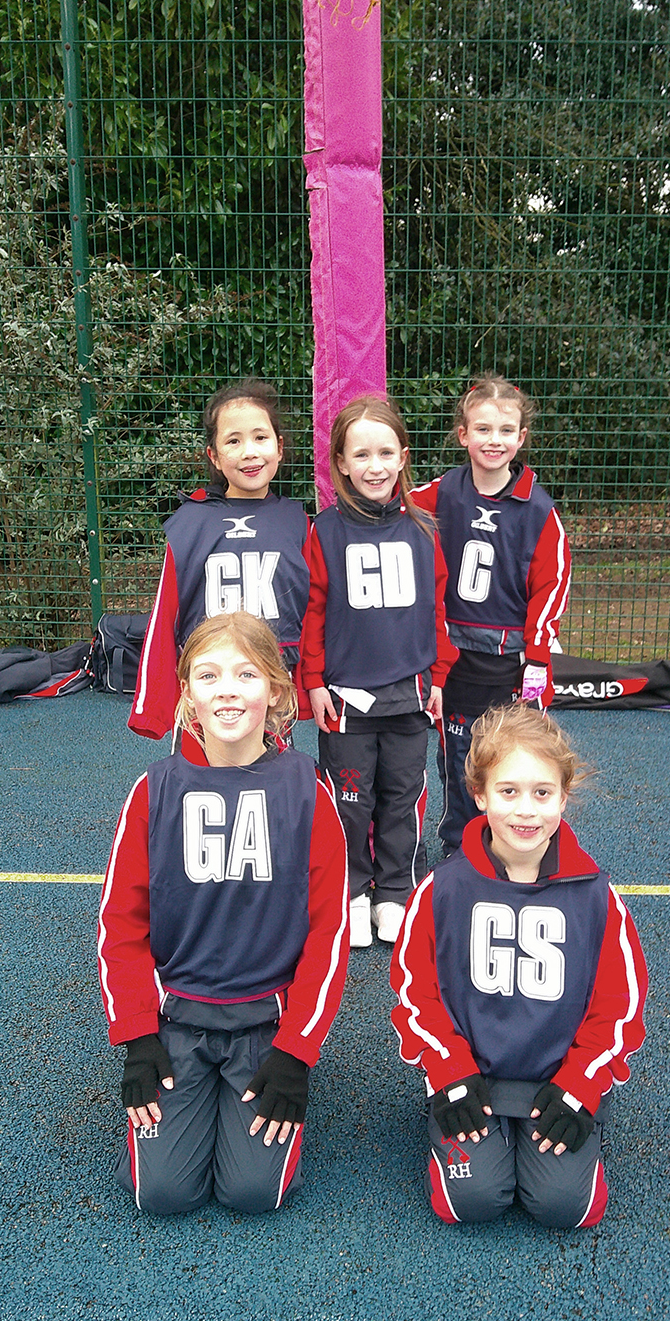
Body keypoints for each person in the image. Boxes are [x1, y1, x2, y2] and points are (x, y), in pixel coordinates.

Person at [98, 612, 349, 1215]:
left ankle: (263, 1077)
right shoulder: (153, 791)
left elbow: (329, 932)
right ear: (187, 694)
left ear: (277, 692)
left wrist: (297, 1050)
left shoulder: (308, 793)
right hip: (177, 1021)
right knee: (163, 1194)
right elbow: (120, 926)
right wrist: (137, 1034)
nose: (228, 691)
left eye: (246, 674)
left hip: (266, 1023)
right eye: (208, 676)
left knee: (252, 1192)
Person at [390, 704, 647, 1229]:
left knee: (565, 1208)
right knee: (471, 1202)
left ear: (564, 797)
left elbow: (619, 1009)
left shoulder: (597, 898)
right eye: (508, 791)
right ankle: (455, 1121)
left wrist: (582, 1085)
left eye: (542, 793)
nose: (526, 811)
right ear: (480, 795)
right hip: (471, 1077)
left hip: (556, 1082)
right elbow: (417, 994)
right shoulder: (442, 891)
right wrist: (449, 1071)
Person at [301, 394, 457, 948]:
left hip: (411, 695)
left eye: (386, 453)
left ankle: (394, 891)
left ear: (403, 457)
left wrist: (438, 677)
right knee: (350, 801)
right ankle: (352, 891)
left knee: (402, 798)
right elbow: (313, 612)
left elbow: (437, 612)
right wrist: (313, 681)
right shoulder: (323, 531)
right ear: (341, 463)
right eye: (361, 455)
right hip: (346, 700)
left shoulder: (424, 529)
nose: (375, 466)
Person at [412, 375, 572, 854]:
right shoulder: (442, 491)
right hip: (455, 659)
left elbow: (551, 584)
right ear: (463, 434)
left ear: (521, 437)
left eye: (505, 431)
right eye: (482, 429)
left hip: (511, 661)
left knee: (516, 758)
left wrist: (538, 657)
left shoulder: (539, 510)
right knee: (458, 760)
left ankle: (517, 847)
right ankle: (460, 849)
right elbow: (391, 508)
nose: (493, 440)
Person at [129, 379, 310, 740]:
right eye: (233, 441)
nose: (249, 452)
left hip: (270, 689)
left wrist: (311, 688)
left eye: (260, 437)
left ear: (279, 447)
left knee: (272, 770)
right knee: (199, 771)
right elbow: (164, 617)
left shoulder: (298, 522)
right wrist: (152, 707)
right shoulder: (189, 524)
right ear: (213, 455)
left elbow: (314, 612)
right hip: (206, 688)